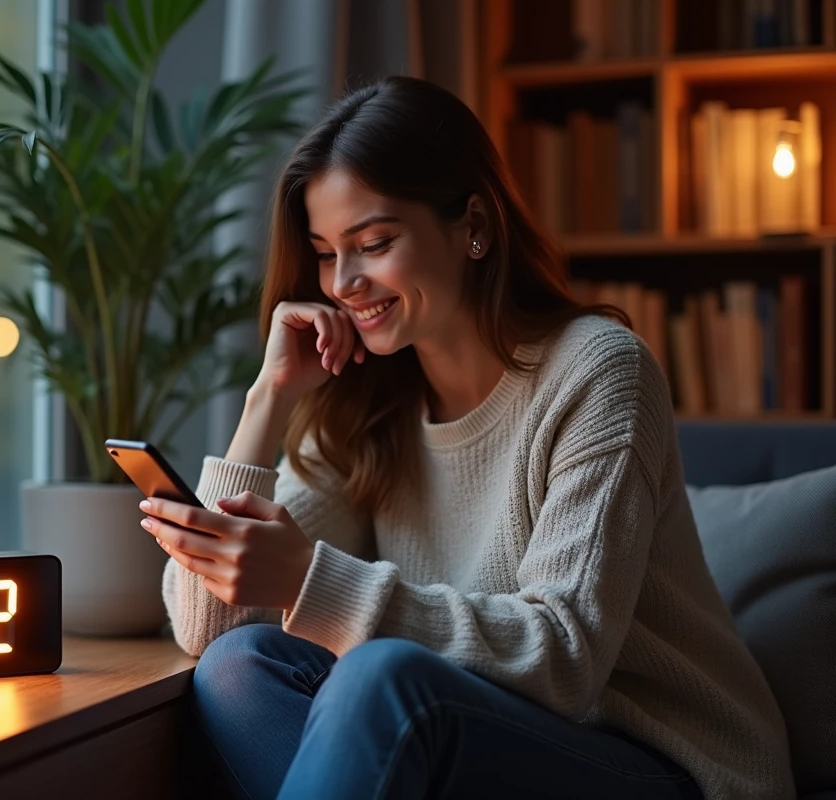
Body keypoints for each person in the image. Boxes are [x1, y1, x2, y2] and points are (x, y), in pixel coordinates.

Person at [136, 76, 794, 800]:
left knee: (382, 678)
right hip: (488, 748)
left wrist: (304, 578)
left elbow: (566, 661)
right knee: (242, 668)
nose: (344, 283)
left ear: (473, 224)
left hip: (660, 762)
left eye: (374, 242)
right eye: (326, 253)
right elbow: (208, 629)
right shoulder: (365, 404)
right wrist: (269, 398)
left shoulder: (598, 371)